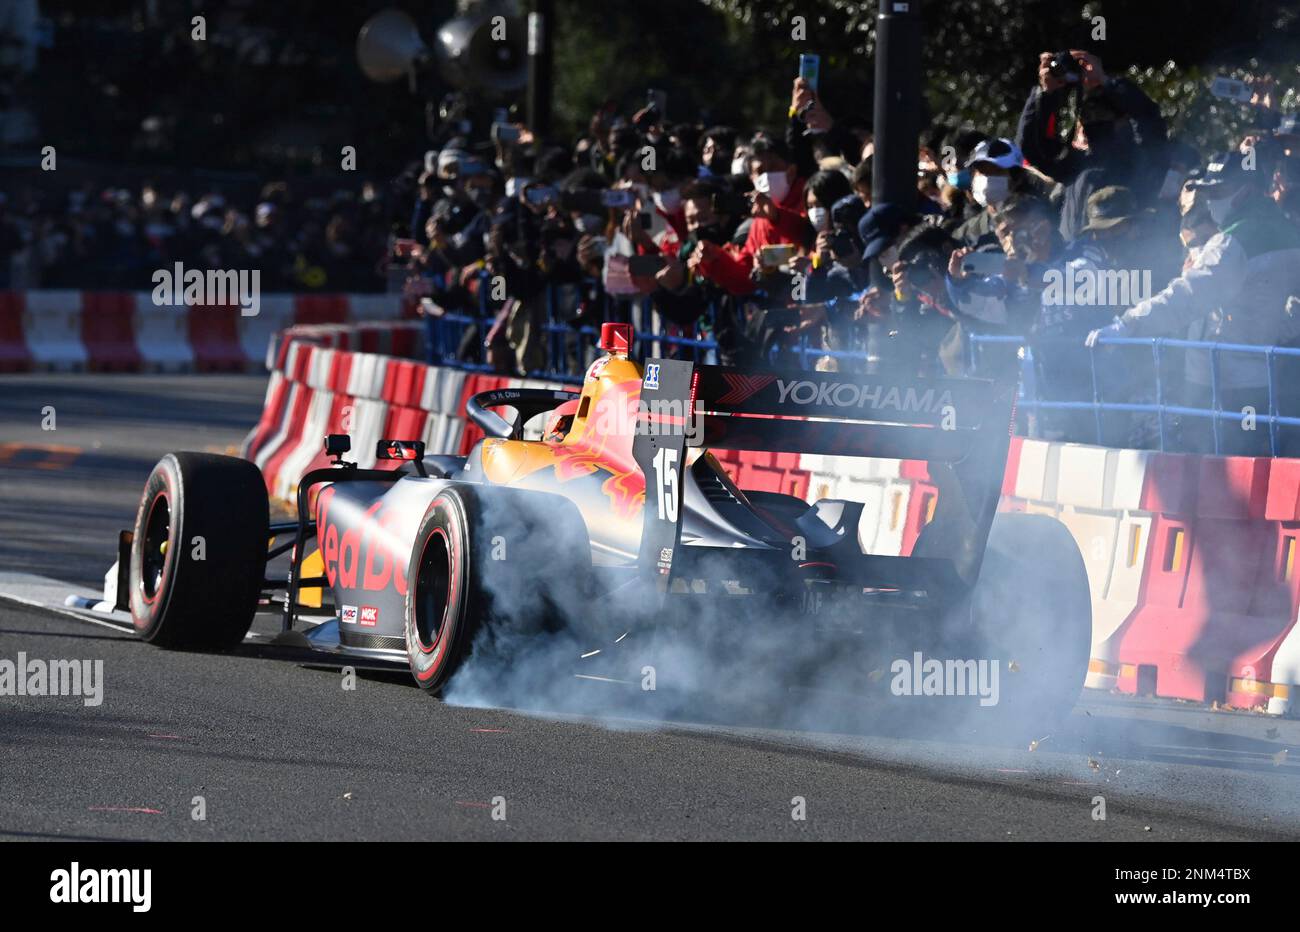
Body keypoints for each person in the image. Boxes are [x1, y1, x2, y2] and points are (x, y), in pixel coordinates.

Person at [1086, 152, 1300, 454]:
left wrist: (1128, 325)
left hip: (1219, 382)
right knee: (1257, 465)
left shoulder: (1233, 243)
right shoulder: (1289, 231)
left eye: (1218, 191)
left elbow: (1188, 295)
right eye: (1207, 191)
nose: (1211, 199)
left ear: (1246, 189)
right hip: (1265, 380)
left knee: (1214, 471)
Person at [1017, 50, 1167, 244]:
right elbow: (1031, 148)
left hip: (1122, 265)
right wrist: (1045, 93)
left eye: (1099, 118)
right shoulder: (1075, 165)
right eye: (1084, 120)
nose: (1087, 129)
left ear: (1123, 122)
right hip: (1074, 265)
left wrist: (1106, 82)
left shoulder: (1137, 163)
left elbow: (1151, 126)